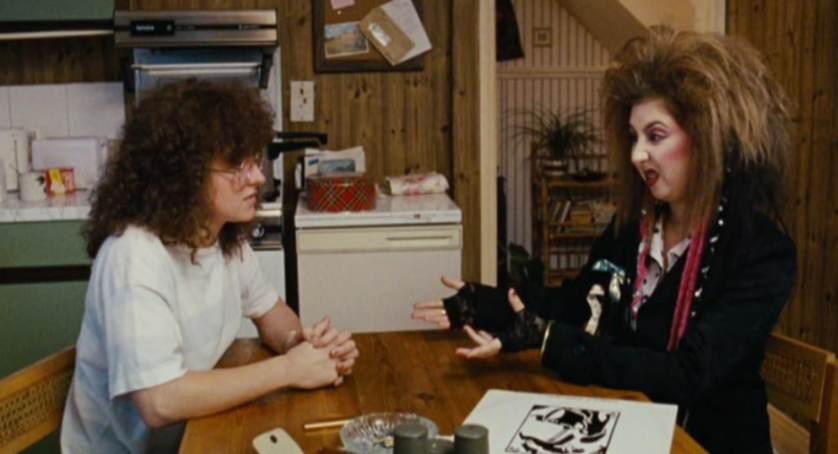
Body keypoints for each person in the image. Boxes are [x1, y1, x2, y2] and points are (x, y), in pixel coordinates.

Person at [413, 26, 796, 454]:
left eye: (655, 136)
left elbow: (687, 374)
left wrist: (549, 341)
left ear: (709, 140)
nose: (635, 155)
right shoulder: (633, 226)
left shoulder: (763, 254)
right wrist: (487, 304)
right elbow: (581, 302)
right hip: (629, 426)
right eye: (633, 137)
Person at [61, 80, 359, 454]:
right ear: (183, 175)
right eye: (237, 165)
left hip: (192, 436)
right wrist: (290, 370)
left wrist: (300, 344)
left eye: (255, 159)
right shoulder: (133, 256)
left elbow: (269, 310)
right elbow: (159, 401)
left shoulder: (221, 237)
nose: (258, 177)